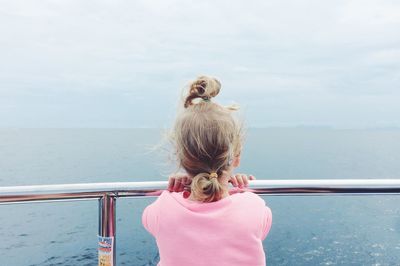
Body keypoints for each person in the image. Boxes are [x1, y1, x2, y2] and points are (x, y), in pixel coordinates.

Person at [142, 76, 272, 266]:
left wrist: (178, 189)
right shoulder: (254, 206)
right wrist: (240, 189)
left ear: (181, 158)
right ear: (236, 156)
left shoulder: (163, 209)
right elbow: (261, 226)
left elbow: (148, 220)